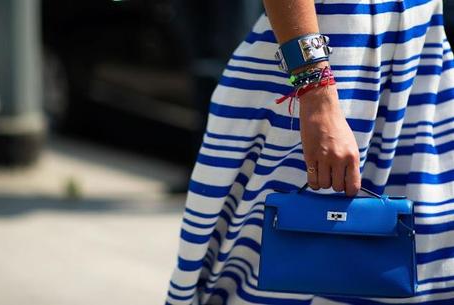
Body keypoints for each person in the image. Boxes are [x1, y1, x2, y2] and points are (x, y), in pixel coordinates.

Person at [165, 0, 454, 304]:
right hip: (327, 74)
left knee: (427, 268)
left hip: (419, 72)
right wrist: (317, 95)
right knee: (267, 273)